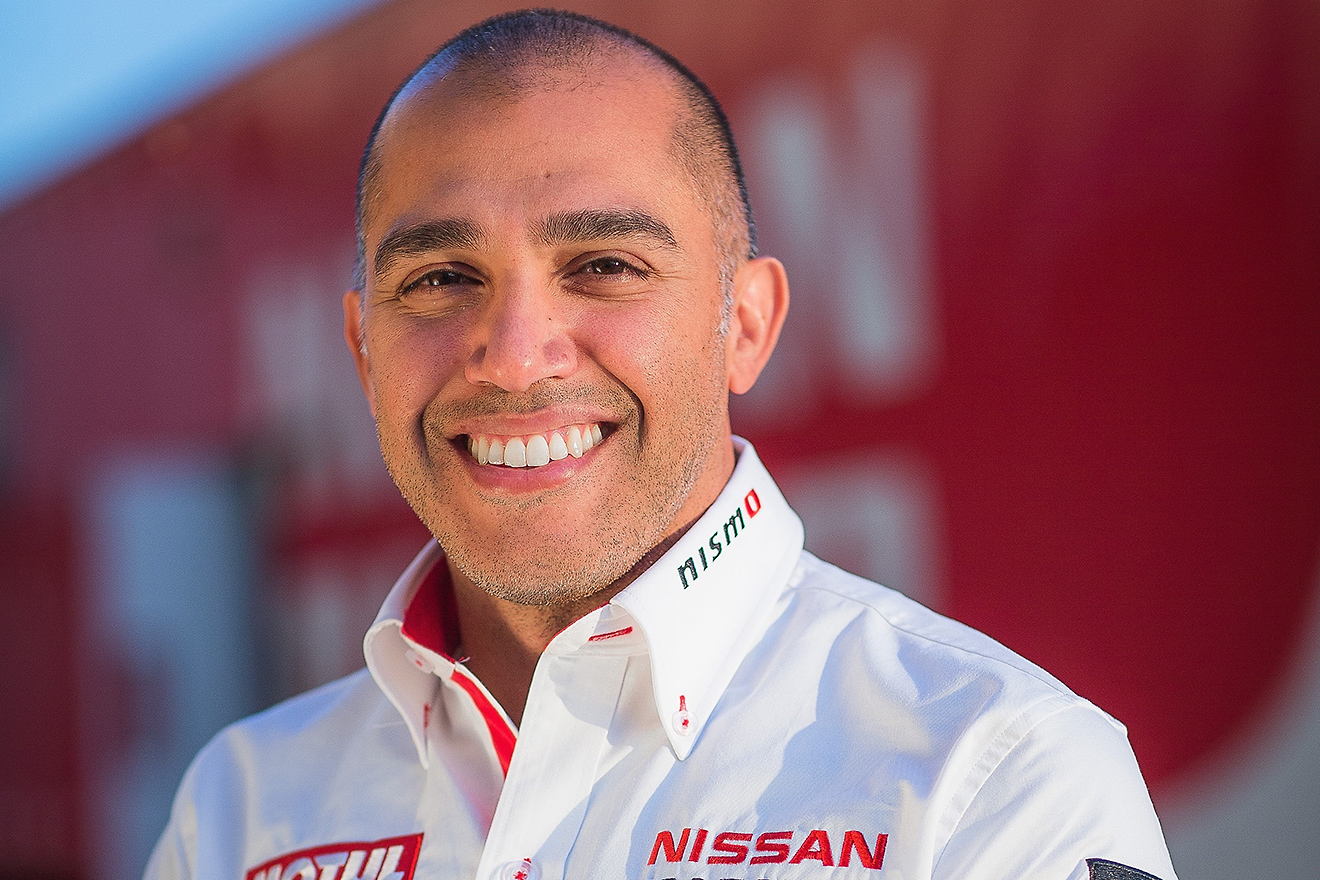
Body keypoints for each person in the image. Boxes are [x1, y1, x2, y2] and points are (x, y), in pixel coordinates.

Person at [147, 10, 1178, 880]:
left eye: (604, 265)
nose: (515, 358)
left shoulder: (995, 780)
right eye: (441, 278)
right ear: (364, 352)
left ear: (747, 324)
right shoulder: (238, 814)